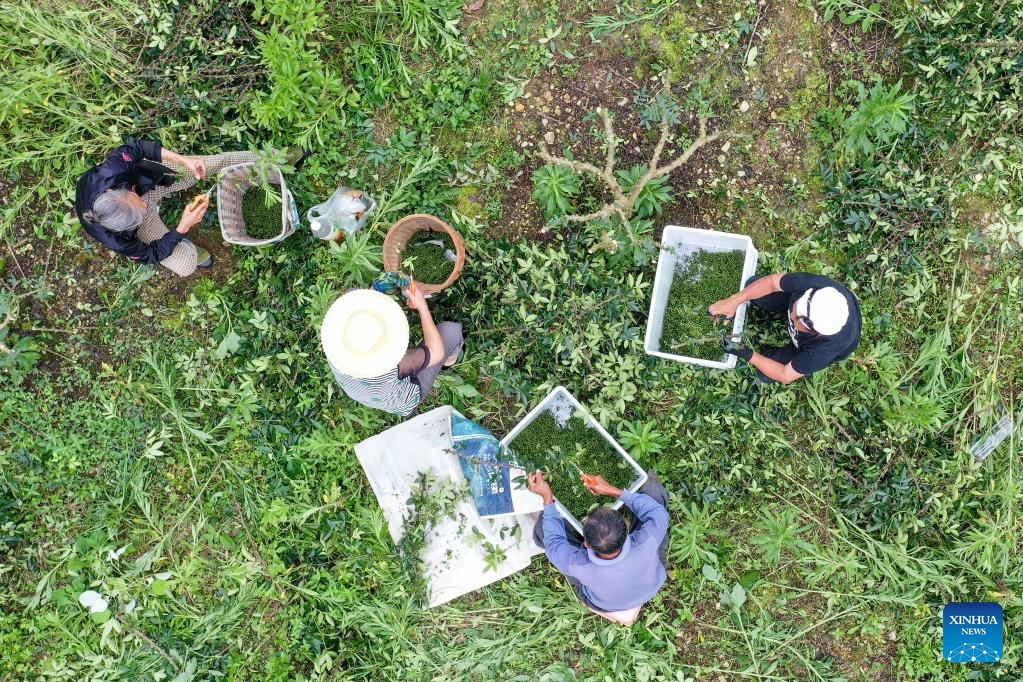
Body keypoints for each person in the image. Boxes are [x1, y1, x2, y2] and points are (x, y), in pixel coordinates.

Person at [75, 138, 260, 276]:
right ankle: (183, 243)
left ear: (113, 191)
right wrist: (182, 228)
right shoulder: (116, 240)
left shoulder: (107, 175)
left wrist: (182, 160)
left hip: (147, 178)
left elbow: (137, 148)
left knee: (202, 167)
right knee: (185, 265)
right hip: (137, 215)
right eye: (143, 209)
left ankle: (265, 161)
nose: (146, 204)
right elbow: (150, 255)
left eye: (137, 200)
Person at [528, 469, 669, 613]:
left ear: (586, 544)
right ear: (626, 529)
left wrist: (547, 497)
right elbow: (657, 513)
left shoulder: (577, 565)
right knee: (654, 493)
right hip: (651, 585)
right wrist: (613, 491)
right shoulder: (647, 541)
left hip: (607, 604)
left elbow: (553, 543)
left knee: (543, 529)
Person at [320, 285, 463, 416]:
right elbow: (435, 352)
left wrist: (375, 288)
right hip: (401, 400)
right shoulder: (391, 366)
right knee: (451, 332)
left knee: (353, 294)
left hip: (362, 391)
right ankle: (449, 361)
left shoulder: (334, 341)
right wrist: (422, 306)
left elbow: (353, 301)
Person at [708, 272, 862, 384]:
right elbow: (773, 283)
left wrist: (747, 354)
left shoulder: (822, 351)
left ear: (815, 333)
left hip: (809, 348)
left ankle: (771, 352)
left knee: (765, 374)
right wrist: (734, 301)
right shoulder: (815, 286)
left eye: (797, 319)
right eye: (796, 307)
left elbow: (785, 374)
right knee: (752, 285)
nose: (792, 313)